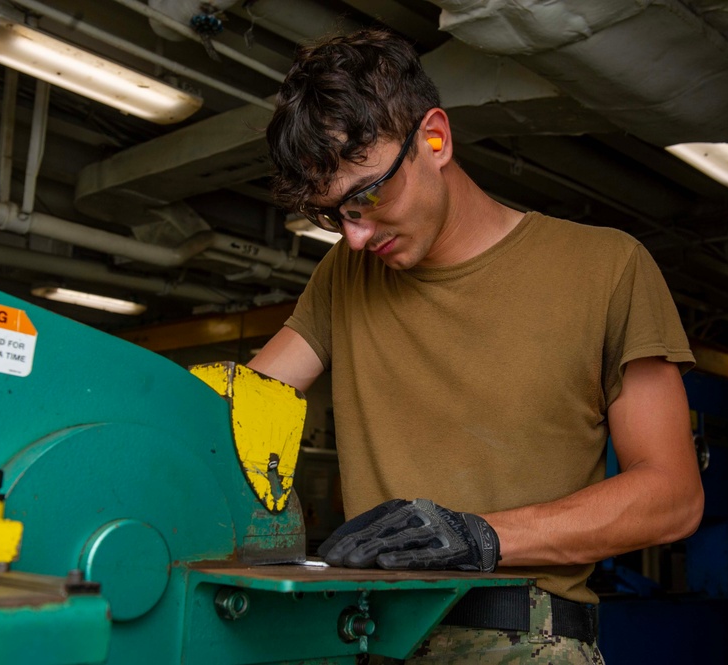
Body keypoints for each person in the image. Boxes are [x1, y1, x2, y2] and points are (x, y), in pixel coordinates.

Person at [248, 28, 704, 664]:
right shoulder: (346, 275)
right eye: (334, 215)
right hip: (368, 639)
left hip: (525, 639)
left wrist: (481, 537)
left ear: (434, 138)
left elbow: (673, 497)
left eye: (367, 197)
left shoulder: (605, 268)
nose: (354, 236)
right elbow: (241, 411)